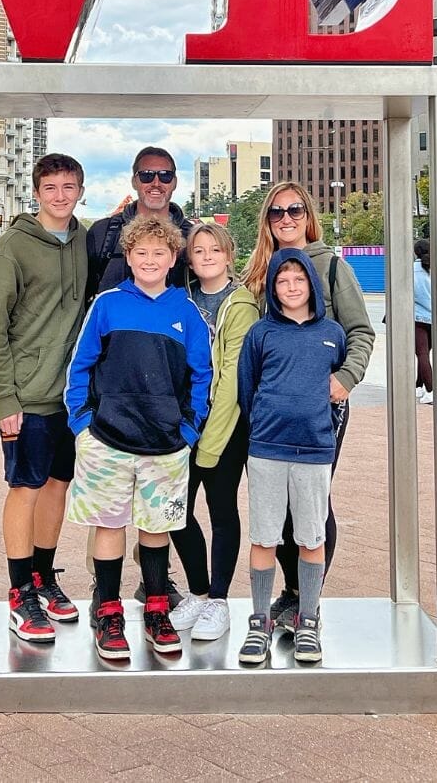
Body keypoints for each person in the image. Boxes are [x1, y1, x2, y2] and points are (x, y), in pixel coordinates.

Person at [64, 216, 212, 662]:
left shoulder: (185, 312)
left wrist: (188, 430)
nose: (150, 260)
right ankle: (108, 611)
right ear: (128, 258)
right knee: (109, 525)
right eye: (141, 253)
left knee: (156, 528)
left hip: (166, 445)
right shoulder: (108, 305)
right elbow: (80, 365)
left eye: (159, 253)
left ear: (173, 259)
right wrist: (82, 424)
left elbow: (202, 376)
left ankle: (155, 607)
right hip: (106, 439)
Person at [238, 180, 374, 637]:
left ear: (308, 214)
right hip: (271, 411)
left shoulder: (332, 266)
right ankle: (291, 594)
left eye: (295, 209)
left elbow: (360, 331)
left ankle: (303, 601)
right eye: (277, 212)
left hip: (320, 408)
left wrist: (344, 379)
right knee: (273, 506)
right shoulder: (257, 273)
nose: (287, 219)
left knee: (313, 505)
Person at [0, 152, 90, 645]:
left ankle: (44, 577)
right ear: (36, 192)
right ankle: (19, 590)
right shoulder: (12, 249)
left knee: (57, 487)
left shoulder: (85, 241)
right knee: (25, 487)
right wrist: (5, 400)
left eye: (69, 187)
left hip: (70, 396)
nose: (60, 196)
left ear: (80, 191)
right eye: (51, 188)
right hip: (27, 395)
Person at [236, 248, 347, 667]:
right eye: (282, 281)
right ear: (273, 288)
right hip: (267, 448)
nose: (292, 287)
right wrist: (263, 423)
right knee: (264, 536)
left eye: (299, 280)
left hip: (314, 452)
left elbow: (336, 387)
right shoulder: (261, 334)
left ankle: (308, 618)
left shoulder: (332, 333)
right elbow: (247, 389)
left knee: (311, 537)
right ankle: (260, 619)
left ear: (312, 286)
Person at [167, 221, 261, 642]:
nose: (206, 257)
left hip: (224, 427)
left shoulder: (240, 305)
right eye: (198, 251)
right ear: (189, 258)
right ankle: (198, 590)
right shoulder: (182, 300)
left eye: (215, 250)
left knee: (221, 510)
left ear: (229, 255)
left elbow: (231, 379)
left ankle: (219, 599)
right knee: (176, 512)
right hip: (181, 426)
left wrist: (209, 437)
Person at [85, 146, 191, 294]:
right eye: (146, 175)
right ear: (134, 181)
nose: (156, 183)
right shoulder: (103, 233)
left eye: (165, 176)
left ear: (174, 182)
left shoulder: (192, 237)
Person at [413, 238, 434, 404]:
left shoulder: (411, 270)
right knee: (425, 355)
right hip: (435, 319)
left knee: (422, 354)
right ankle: (418, 386)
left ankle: (430, 389)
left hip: (417, 317)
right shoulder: (436, 269)